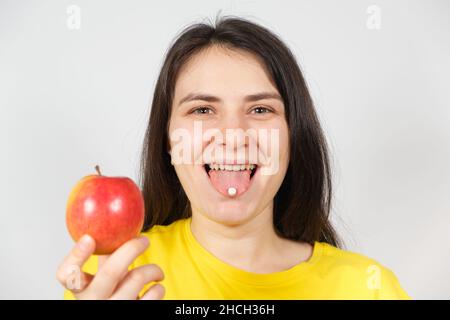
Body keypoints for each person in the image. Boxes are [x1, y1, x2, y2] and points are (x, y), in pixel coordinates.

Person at [58, 15, 410, 300]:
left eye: (259, 109)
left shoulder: (369, 288)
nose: (233, 135)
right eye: (202, 110)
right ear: (167, 140)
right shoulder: (115, 276)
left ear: (292, 137)